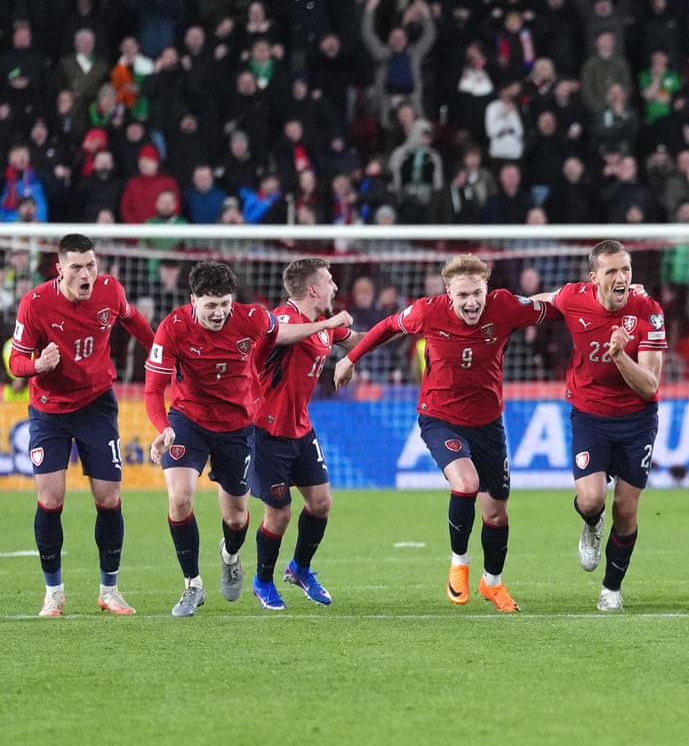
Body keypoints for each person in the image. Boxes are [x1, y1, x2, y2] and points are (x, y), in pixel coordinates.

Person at [333, 255, 558, 613]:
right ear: (448, 293)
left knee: (496, 513)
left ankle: (493, 584)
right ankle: (459, 563)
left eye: (477, 293)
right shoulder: (427, 311)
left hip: (488, 423)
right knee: (466, 483)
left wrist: (603, 295)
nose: (471, 302)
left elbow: (557, 303)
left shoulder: (506, 307)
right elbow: (388, 326)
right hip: (440, 418)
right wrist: (350, 358)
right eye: (463, 294)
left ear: (487, 289)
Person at [145, 261, 351, 617]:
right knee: (180, 498)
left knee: (238, 519)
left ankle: (230, 556)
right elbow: (152, 389)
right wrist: (162, 425)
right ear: (193, 300)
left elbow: (281, 333)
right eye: (210, 305)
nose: (219, 313)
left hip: (238, 427)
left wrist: (329, 326)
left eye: (224, 303)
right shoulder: (173, 327)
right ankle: (192, 585)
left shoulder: (251, 317)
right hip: (187, 421)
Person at [8, 233, 156, 617]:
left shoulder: (110, 291)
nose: (86, 273)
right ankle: (53, 593)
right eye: (77, 266)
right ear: (60, 268)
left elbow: (134, 319)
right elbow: (16, 363)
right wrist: (38, 366)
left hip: (96, 405)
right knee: (51, 500)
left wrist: (160, 353)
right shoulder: (36, 303)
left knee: (108, 498)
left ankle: (109, 590)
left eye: (91, 264)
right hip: (50, 410)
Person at [535, 240, 667, 612]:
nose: (622, 277)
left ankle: (611, 588)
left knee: (626, 509)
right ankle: (592, 523)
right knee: (592, 499)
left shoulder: (648, 311)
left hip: (637, 421)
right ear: (594, 278)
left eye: (626, 269)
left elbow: (650, 386)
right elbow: (541, 302)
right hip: (590, 415)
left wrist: (620, 355)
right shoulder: (574, 298)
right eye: (612, 271)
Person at [249, 258, 362, 611]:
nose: (335, 287)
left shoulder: (322, 325)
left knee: (321, 503)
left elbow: (356, 339)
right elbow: (278, 336)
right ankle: (262, 581)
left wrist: (402, 327)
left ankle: (299, 568)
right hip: (265, 431)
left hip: (300, 428)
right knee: (279, 515)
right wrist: (328, 322)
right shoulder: (284, 317)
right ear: (312, 289)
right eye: (329, 281)